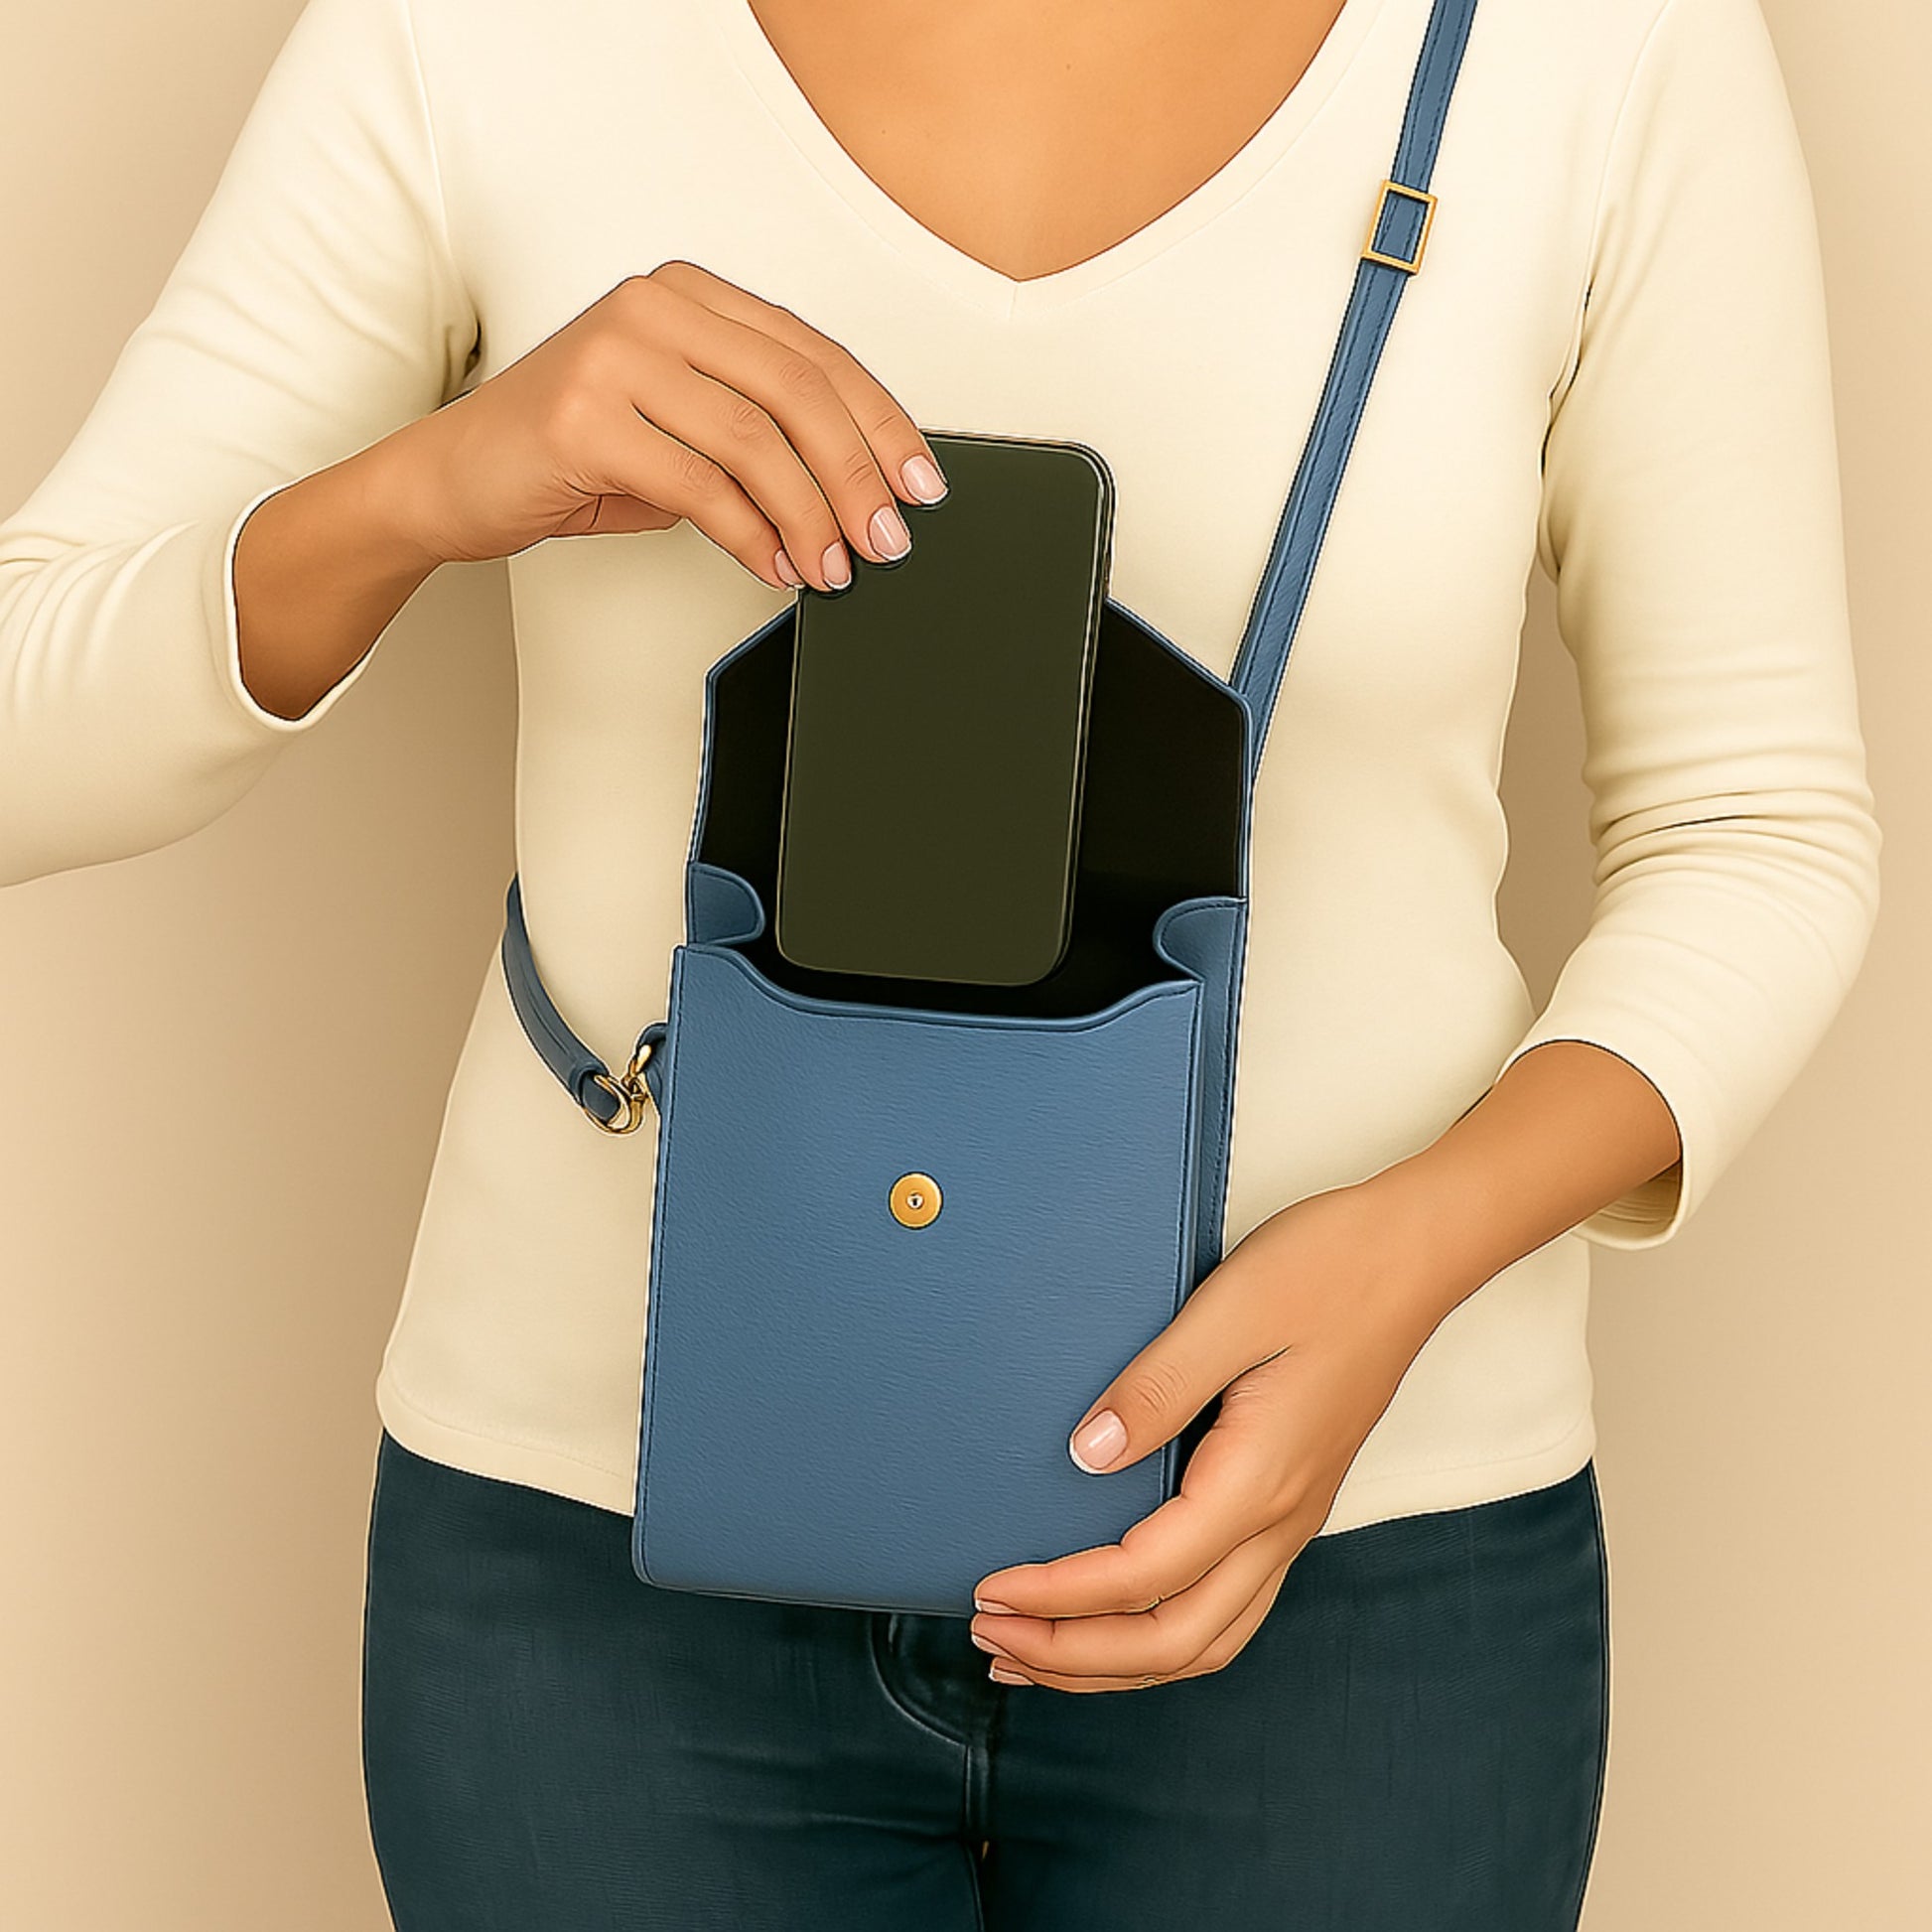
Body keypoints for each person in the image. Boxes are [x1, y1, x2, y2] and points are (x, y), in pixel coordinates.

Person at [0, 0, 1881, 1925]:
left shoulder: (1591, 49)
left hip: (1355, 1564)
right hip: (597, 1571)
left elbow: (1756, 833)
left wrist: (1408, 1259)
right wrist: (433, 482)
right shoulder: (483, 34)